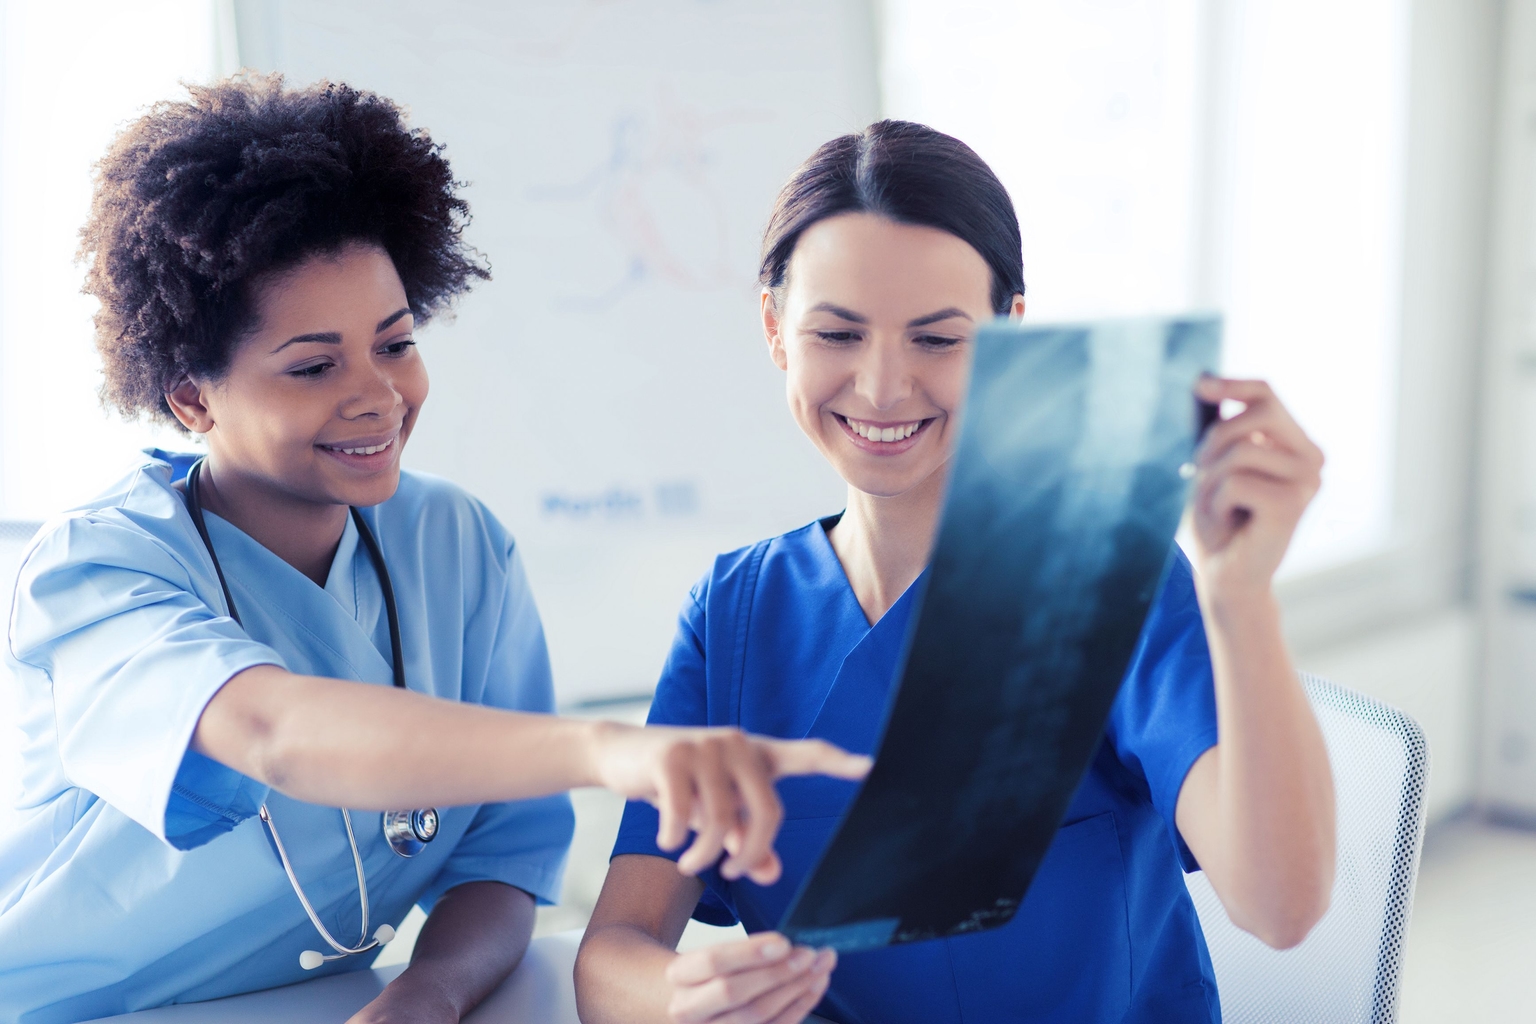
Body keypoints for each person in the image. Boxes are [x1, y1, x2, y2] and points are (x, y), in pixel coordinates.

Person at [0, 76, 868, 1024]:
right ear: (192, 398)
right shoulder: (96, 571)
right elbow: (271, 735)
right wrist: (609, 749)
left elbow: (502, 855)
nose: (378, 395)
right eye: (314, 366)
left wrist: (434, 988)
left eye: (396, 343)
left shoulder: (456, 546)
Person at [574, 120, 1337, 1024]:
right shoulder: (736, 616)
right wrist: (686, 999)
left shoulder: (1106, 580)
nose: (884, 387)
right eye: (839, 334)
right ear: (776, 328)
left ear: (1009, 337)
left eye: (938, 340)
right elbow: (609, 958)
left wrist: (1240, 594)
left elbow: (1282, 908)